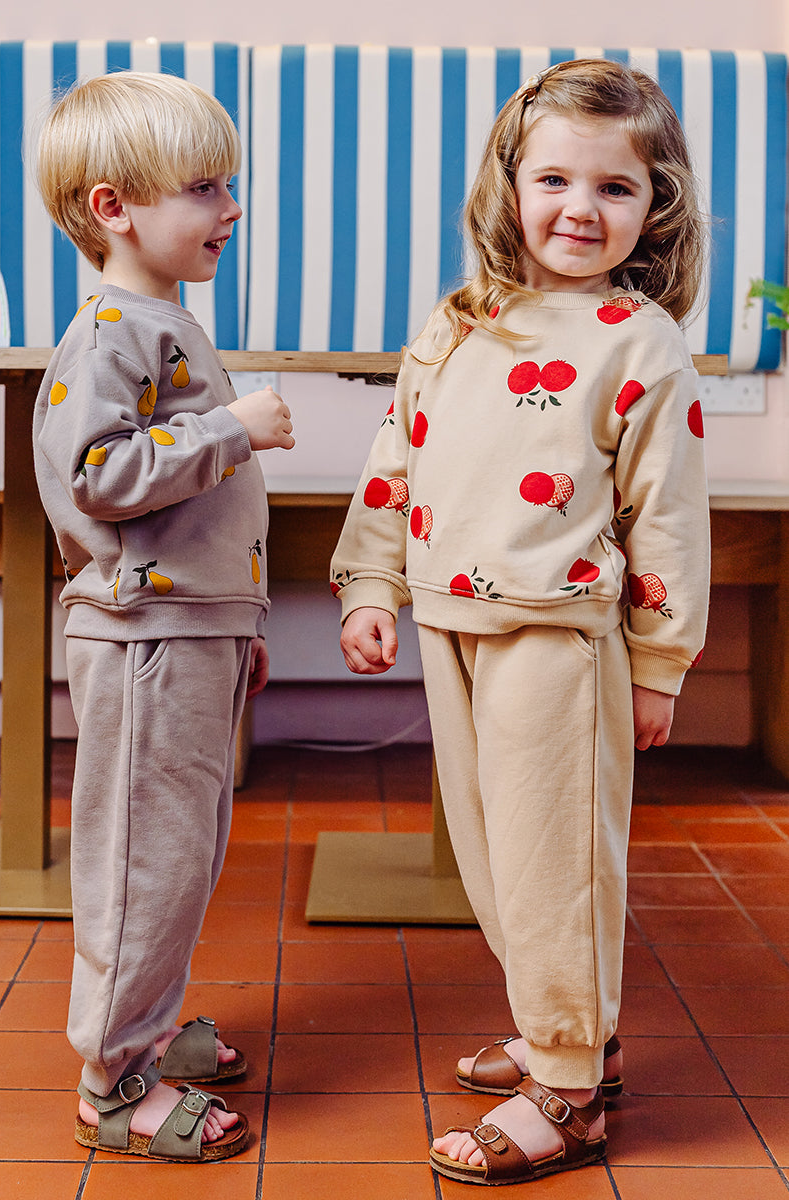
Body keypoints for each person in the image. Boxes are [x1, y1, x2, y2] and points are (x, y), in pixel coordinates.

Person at [332, 59, 709, 1186]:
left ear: (655, 207)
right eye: (554, 179)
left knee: (556, 867)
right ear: (508, 186)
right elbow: (395, 460)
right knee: (496, 857)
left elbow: (668, 516)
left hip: (560, 639)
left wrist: (660, 664)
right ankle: (573, 1036)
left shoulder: (640, 339)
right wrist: (371, 584)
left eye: (615, 188)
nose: (580, 209)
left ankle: (569, 1095)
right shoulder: (459, 323)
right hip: (449, 625)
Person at [32, 71, 294, 1163]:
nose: (231, 207)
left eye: (228, 185)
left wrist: (241, 621)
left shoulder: (158, 322)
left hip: (188, 631)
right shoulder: (109, 335)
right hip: (144, 639)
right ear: (114, 208)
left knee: (179, 855)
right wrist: (234, 428)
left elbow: (188, 518)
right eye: (204, 188)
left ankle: (143, 1030)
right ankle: (111, 1081)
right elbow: (95, 475)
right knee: (144, 857)